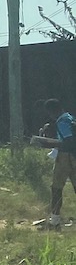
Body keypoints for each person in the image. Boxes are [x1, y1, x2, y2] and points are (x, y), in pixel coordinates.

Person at [32, 98, 76, 229]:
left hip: (65, 157)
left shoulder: (61, 122)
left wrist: (46, 142)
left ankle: (55, 221)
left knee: (56, 189)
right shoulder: (70, 118)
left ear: (52, 111)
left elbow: (68, 142)